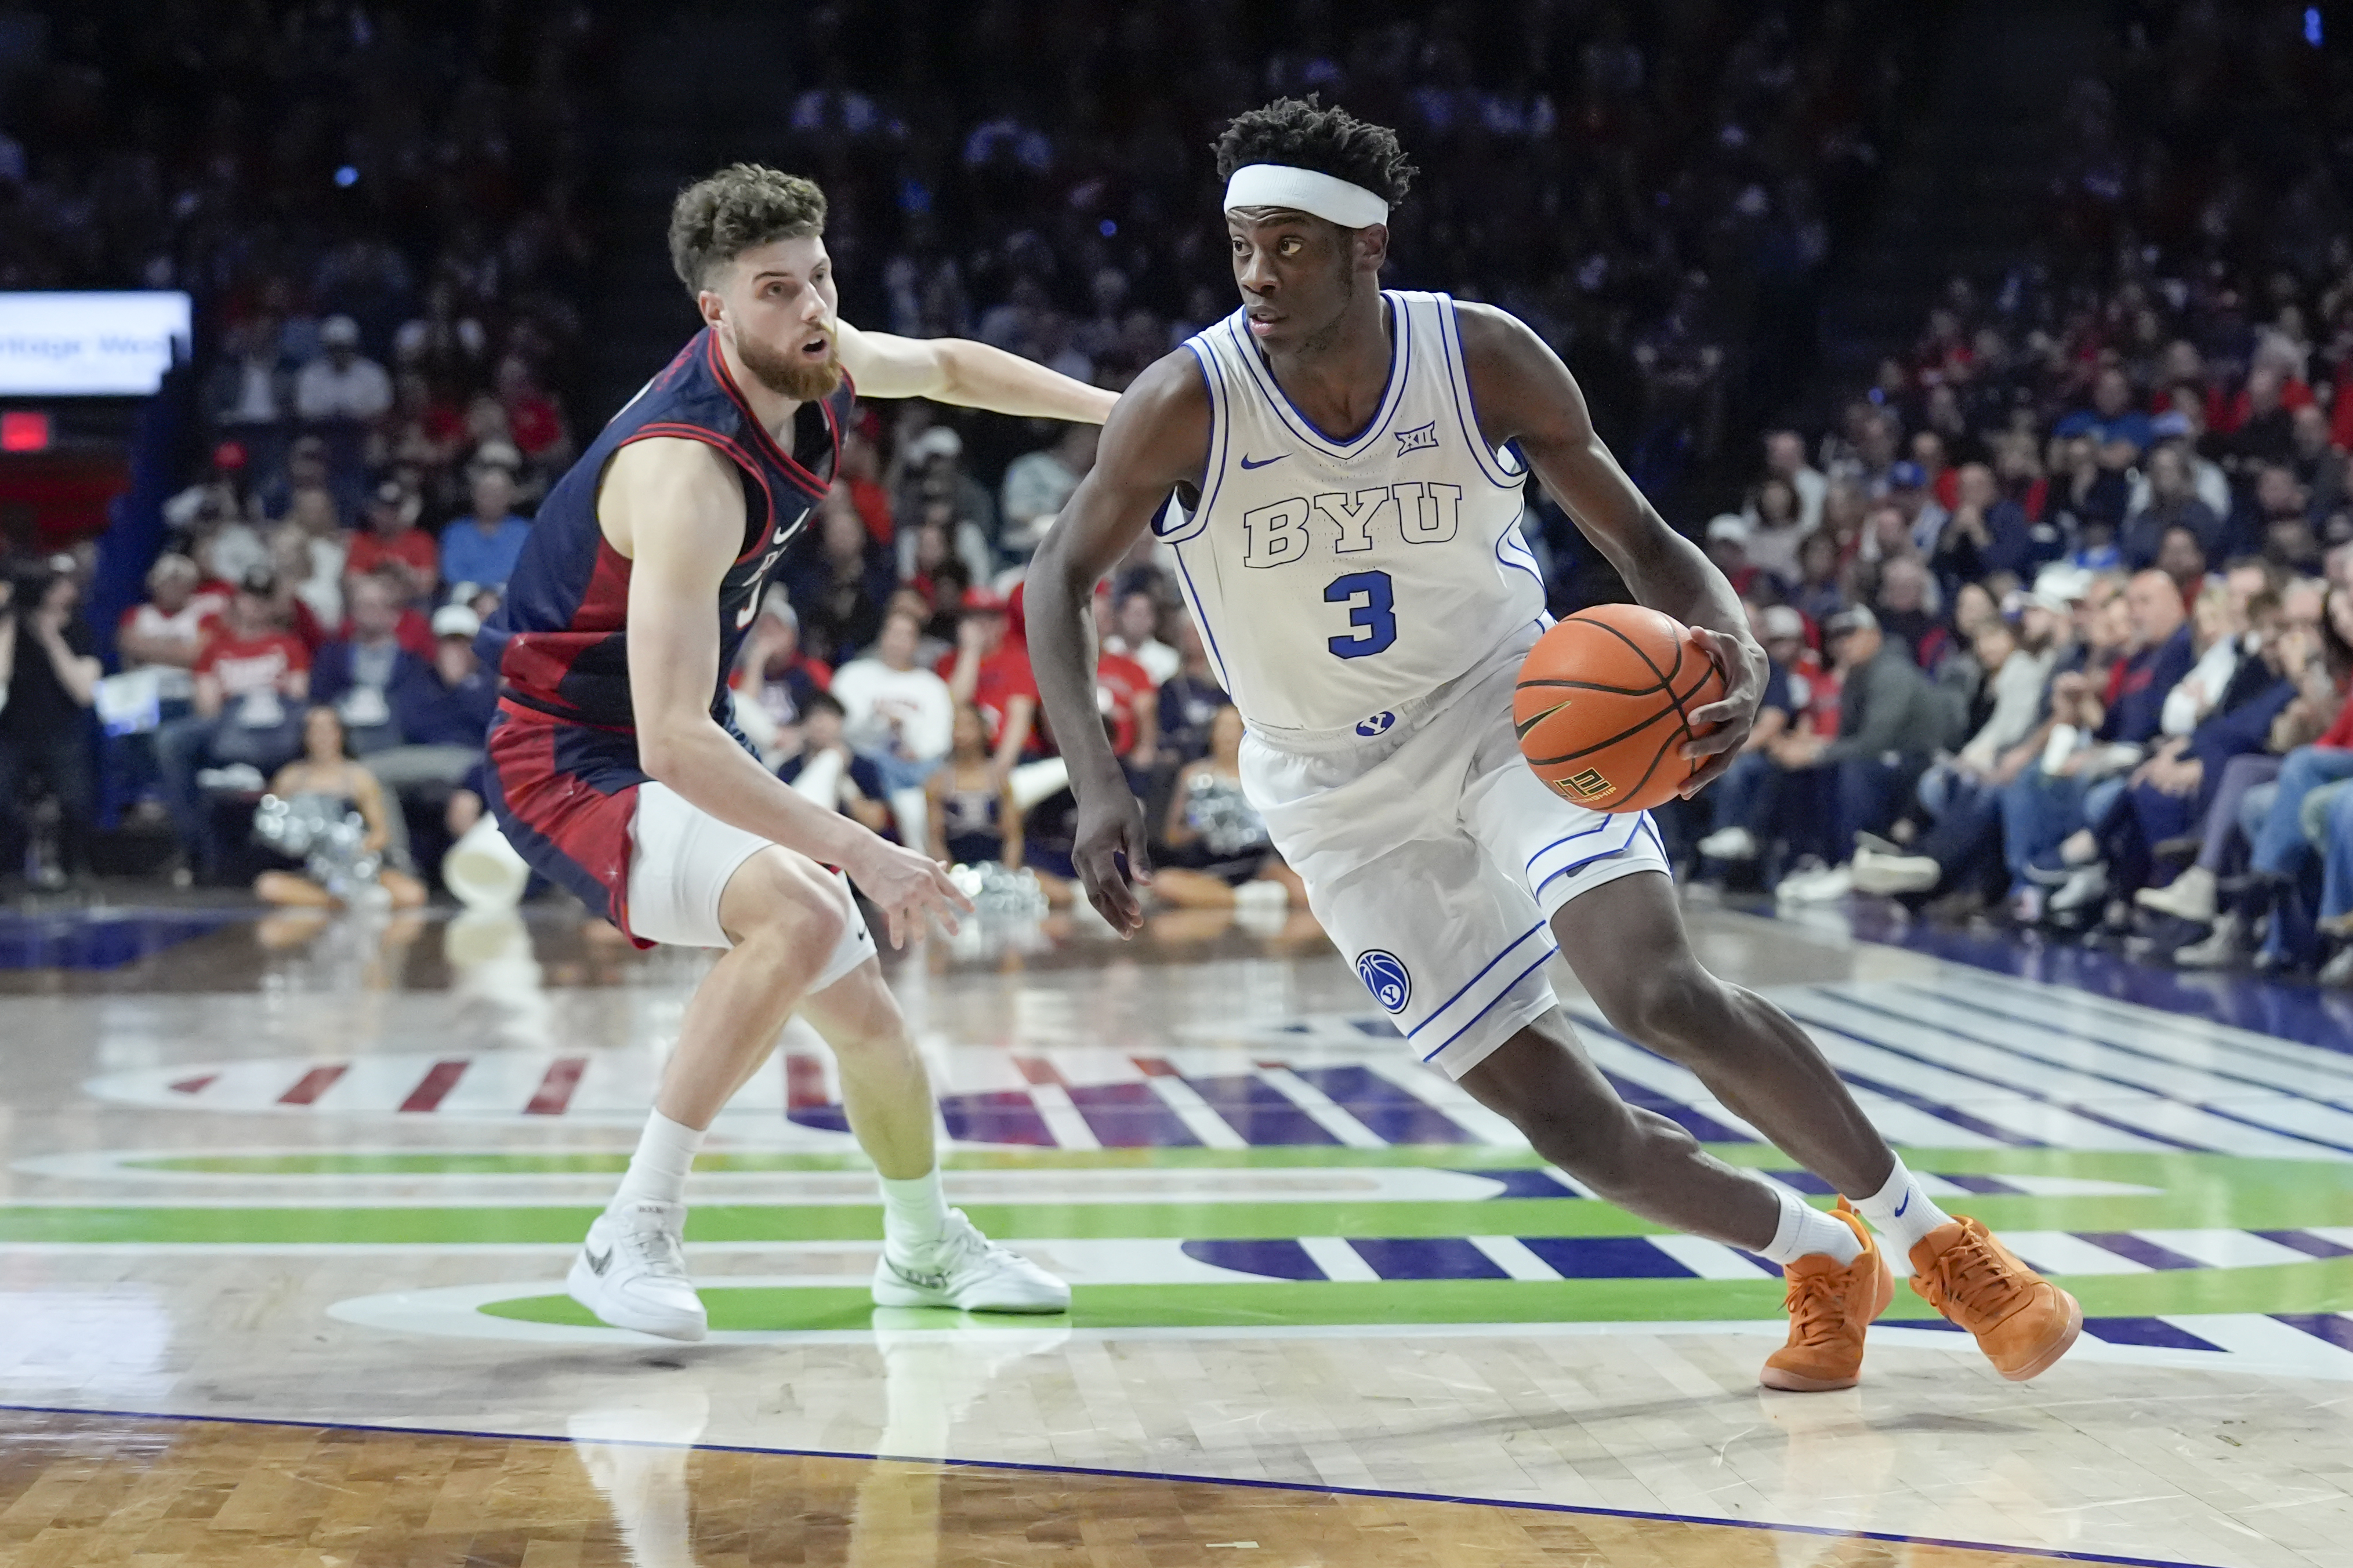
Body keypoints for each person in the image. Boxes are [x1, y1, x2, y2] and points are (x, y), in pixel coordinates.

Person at [1027, 96, 2079, 1395]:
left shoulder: (1481, 360)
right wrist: (1096, 777)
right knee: (1566, 1122)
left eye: (1288, 245)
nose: (1256, 276)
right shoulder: (1186, 398)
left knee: (1658, 992)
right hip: (1331, 791)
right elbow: (1055, 578)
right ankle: (1817, 1253)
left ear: (1368, 246)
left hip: (1513, 715)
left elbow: (1643, 540)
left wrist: (1729, 641)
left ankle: (1940, 1243)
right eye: (1241, 244)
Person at [478, 162, 1111, 1340]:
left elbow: (958, 367)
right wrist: (865, 850)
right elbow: (671, 736)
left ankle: (922, 1249)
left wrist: (1122, 416)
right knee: (809, 910)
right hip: (567, 755)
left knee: (863, 1015)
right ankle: (633, 1225)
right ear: (716, 311)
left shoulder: (816, 357)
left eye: (819, 278)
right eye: (776, 290)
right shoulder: (685, 473)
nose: (813, 308)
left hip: (656, 739)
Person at [252, 705, 426, 910]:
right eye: (315, 730)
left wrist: (350, 852)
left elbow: (381, 833)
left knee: (412, 894)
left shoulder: (359, 777)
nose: (322, 737)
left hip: (359, 866)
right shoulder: (290, 778)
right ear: (305, 735)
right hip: (312, 868)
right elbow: (271, 826)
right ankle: (334, 902)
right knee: (268, 887)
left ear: (340, 733)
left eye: (328, 729)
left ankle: (353, 897)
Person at [0, 563, 101, 887]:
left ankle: (72, 868)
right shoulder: (9, 629)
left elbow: (84, 692)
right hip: (12, 730)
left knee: (76, 802)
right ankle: (11, 871)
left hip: (60, 732)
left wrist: (52, 638)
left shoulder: (81, 631)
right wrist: (10, 626)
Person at [1155, 704, 1308, 910]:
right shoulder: (1192, 775)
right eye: (1222, 728)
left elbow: (1287, 826)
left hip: (1260, 865)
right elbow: (1171, 836)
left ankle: (1248, 897)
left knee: (1307, 892)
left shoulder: (1263, 775)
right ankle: (1241, 900)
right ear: (1212, 734)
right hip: (1210, 868)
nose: (1227, 735)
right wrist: (1202, 825)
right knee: (1163, 883)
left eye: (1233, 728)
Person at [831, 606, 955, 797]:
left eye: (906, 635)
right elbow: (838, 728)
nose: (898, 641)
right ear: (882, 636)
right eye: (893, 633)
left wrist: (916, 751)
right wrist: (877, 720)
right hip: (861, 764)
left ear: (917, 643)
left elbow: (940, 738)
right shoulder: (852, 675)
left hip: (915, 768)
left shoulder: (932, 686)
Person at [927, 703, 1021, 865]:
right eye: (956, 725)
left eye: (969, 725)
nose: (961, 732)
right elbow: (935, 839)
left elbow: (1013, 837)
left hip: (995, 862)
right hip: (957, 863)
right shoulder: (937, 783)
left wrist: (1008, 875)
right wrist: (950, 876)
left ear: (984, 730)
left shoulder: (999, 781)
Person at [438, 454, 534, 593]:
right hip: (466, 597)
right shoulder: (455, 532)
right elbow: (451, 575)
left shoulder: (525, 531)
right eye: (485, 492)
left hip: (509, 597)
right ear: (474, 494)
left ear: (510, 496)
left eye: (497, 493)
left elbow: (527, 573)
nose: (491, 499)